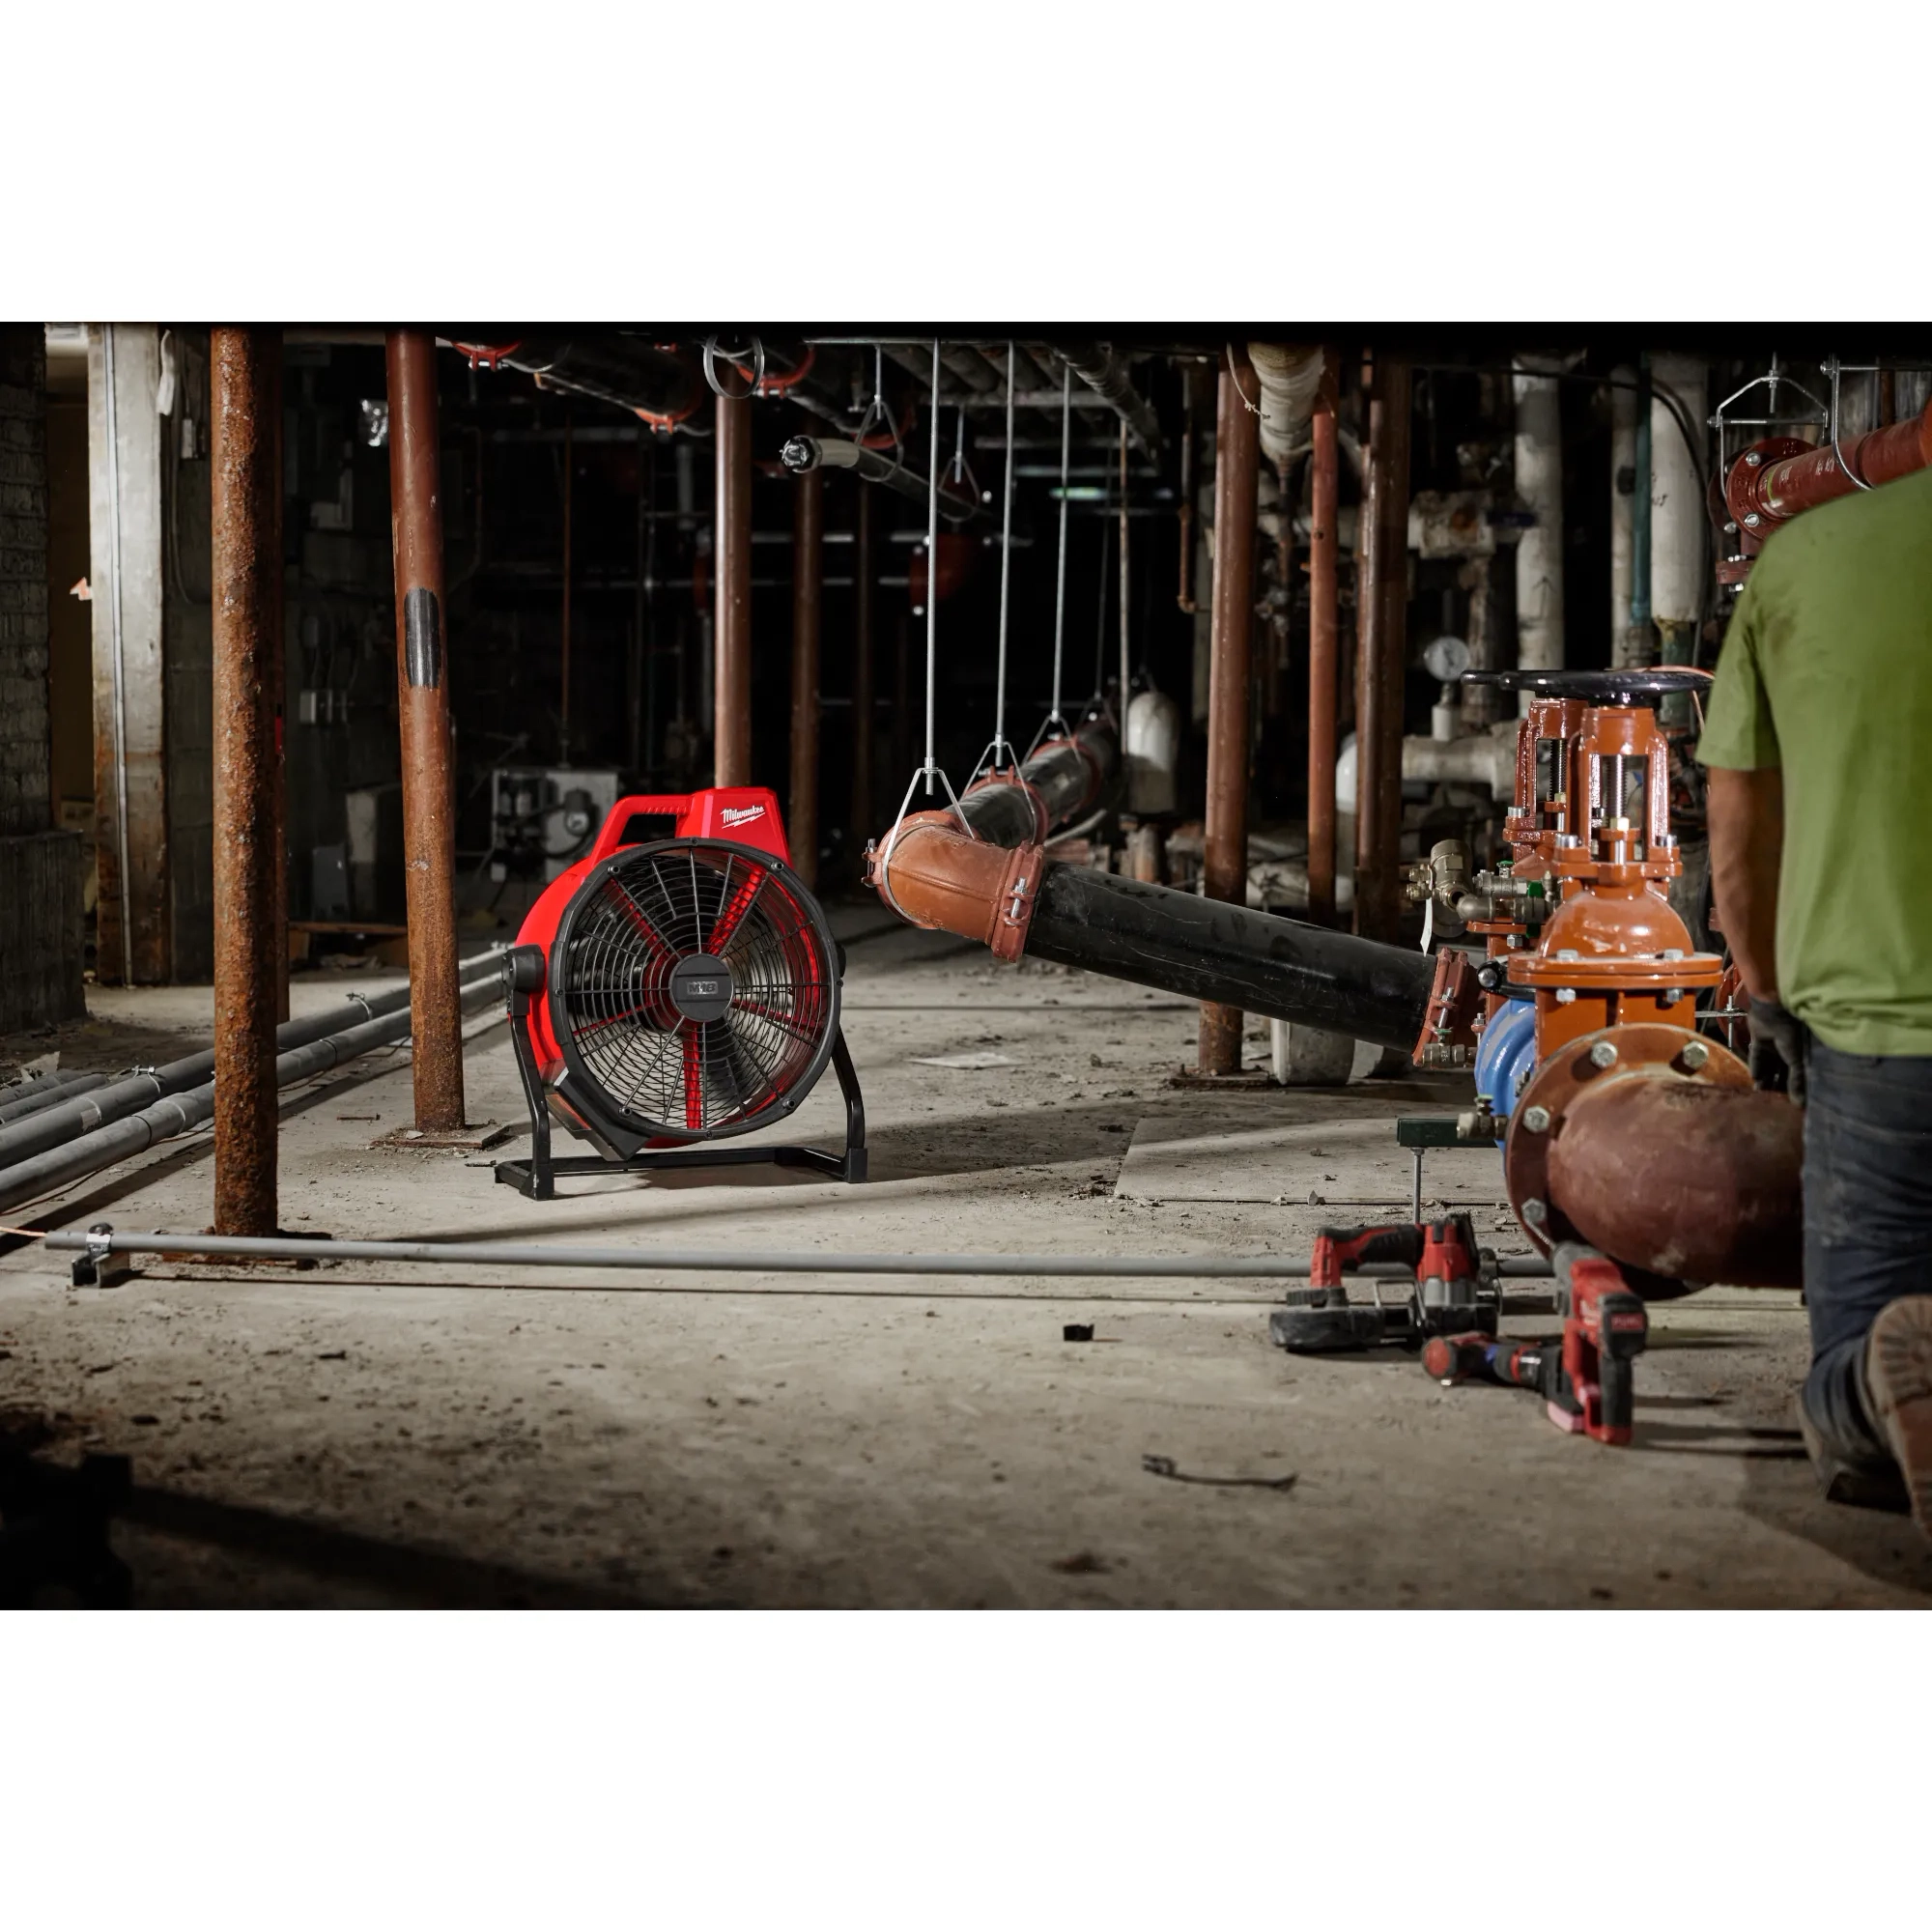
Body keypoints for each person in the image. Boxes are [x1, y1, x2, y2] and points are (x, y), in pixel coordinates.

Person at [1699, 457, 1932, 1540]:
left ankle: (1864, 1392)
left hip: (1871, 1026)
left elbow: (1737, 815)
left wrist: (1759, 987)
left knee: (1854, 1377)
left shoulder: (1800, 562)